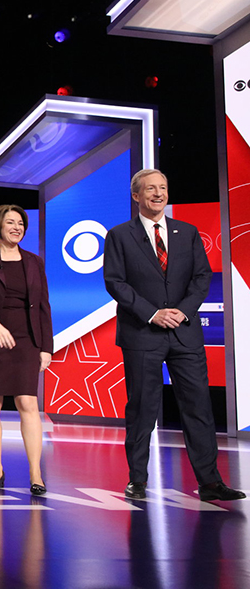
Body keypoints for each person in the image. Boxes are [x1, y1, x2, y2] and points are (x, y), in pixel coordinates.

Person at [104, 169, 244, 502]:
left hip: (185, 333)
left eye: (163, 188)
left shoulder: (188, 233)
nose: (158, 193)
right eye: (150, 189)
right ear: (136, 196)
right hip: (142, 334)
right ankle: (137, 479)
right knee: (142, 408)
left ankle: (210, 482)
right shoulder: (119, 235)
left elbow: (201, 276)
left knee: (198, 407)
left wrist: (183, 310)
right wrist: (153, 313)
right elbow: (115, 282)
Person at [0, 205, 52, 495]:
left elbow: (43, 305)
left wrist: (46, 347)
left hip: (27, 339)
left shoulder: (34, 261)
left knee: (28, 403)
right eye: (10, 222)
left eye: (20, 223)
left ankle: (35, 473)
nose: (17, 227)